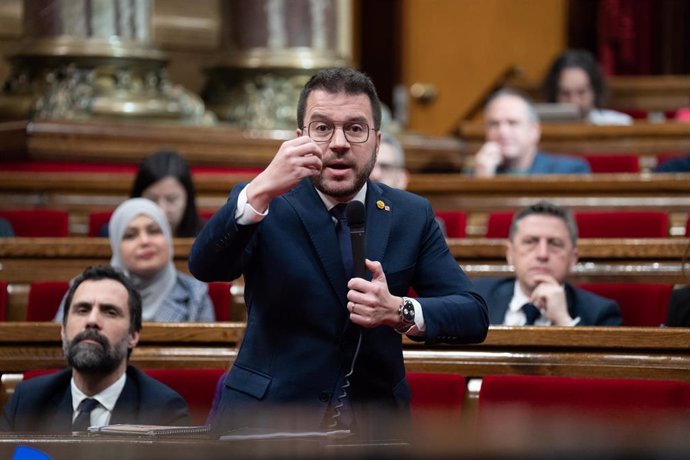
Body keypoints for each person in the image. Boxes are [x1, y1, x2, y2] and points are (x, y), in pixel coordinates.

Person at [189, 67, 488, 437]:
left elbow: (473, 313)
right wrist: (260, 189)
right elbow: (205, 265)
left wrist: (399, 310)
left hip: (375, 428)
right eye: (322, 128)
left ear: (377, 141)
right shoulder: (267, 203)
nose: (339, 143)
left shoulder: (411, 214)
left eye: (356, 128)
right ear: (299, 138)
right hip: (268, 421)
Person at [1, 265, 190, 432]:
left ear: (133, 336)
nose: (92, 321)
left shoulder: (163, 412)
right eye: (82, 310)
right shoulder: (28, 402)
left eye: (110, 312)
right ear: (63, 330)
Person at [57, 198, 214, 322]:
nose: (145, 241)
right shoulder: (83, 290)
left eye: (153, 231)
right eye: (130, 235)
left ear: (167, 237)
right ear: (116, 246)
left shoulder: (195, 294)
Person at [473, 201, 622, 326]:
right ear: (510, 254)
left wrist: (564, 321)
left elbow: (599, 362)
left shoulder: (600, 313)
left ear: (573, 258)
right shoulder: (475, 298)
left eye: (555, 244)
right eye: (530, 242)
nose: (542, 254)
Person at [471, 89, 591, 177]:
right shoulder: (477, 173)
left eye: (513, 123)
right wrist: (482, 182)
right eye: (494, 124)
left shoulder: (569, 172)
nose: (502, 132)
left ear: (533, 131)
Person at [99, 151, 205, 237]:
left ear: (188, 199)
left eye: (171, 200)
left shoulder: (210, 239)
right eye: (152, 200)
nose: (162, 211)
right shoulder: (113, 235)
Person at [543, 49, 633, 125]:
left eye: (581, 92)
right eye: (565, 93)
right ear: (554, 94)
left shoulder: (619, 124)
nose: (574, 101)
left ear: (595, 91)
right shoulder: (539, 129)